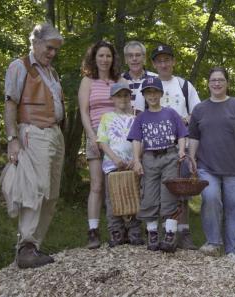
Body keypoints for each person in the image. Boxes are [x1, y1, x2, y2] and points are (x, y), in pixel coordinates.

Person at [3, 23, 64, 268]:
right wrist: (12, 139)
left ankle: (34, 246)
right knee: (35, 189)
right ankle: (26, 246)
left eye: (55, 50)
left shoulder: (53, 73)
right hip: (33, 132)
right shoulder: (20, 66)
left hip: (55, 133)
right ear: (35, 42)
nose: (52, 53)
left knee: (52, 192)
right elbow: (10, 103)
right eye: (49, 48)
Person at [133, 44, 201, 250]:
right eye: (159, 60)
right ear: (153, 63)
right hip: (152, 151)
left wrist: (185, 120)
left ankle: (182, 232)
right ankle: (156, 232)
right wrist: (138, 156)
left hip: (179, 148)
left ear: (173, 61)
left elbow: (197, 112)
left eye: (167, 59)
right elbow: (138, 120)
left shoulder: (183, 85)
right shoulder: (146, 86)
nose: (163, 64)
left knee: (180, 190)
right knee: (153, 193)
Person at [188, 67, 235, 263]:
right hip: (206, 166)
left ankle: (233, 251)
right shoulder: (200, 109)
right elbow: (193, 136)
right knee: (210, 200)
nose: (217, 83)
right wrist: (191, 157)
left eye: (221, 80)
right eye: (213, 80)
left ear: (227, 82)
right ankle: (213, 243)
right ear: (208, 83)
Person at [127, 76, 188, 253]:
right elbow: (137, 140)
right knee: (149, 195)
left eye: (155, 92)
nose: (152, 95)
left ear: (161, 93)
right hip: (149, 158)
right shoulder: (141, 117)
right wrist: (137, 160)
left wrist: (182, 150)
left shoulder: (170, 113)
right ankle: (152, 232)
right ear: (144, 96)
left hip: (169, 155)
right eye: (148, 93)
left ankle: (169, 234)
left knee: (169, 194)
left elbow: (182, 134)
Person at [78, 40, 125, 249]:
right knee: (97, 185)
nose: (105, 60)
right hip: (96, 134)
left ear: (113, 59)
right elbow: (83, 111)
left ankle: (120, 229)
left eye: (108, 56)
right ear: (94, 58)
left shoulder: (120, 80)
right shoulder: (88, 81)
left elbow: (127, 108)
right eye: (101, 56)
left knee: (117, 184)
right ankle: (93, 231)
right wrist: (92, 136)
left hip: (117, 137)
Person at [96, 81, 144, 247]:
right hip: (113, 165)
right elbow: (102, 142)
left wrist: (135, 159)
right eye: (119, 96)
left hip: (133, 165)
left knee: (134, 196)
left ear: (130, 97)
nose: (122, 99)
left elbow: (141, 140)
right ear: (112, 98)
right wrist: (115, 159)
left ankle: (134, 230)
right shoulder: (106, 118)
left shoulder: (137, 117)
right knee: (113, 199)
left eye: (125, 95)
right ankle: (116, 231)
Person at [122, 41, 157, 108]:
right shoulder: (119, 80)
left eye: (138, 55)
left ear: (144, 58)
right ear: (126, 59)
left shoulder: (155, 79)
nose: (134, 59)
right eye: (130, 56)